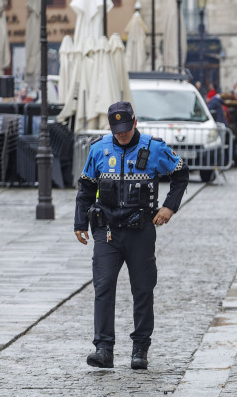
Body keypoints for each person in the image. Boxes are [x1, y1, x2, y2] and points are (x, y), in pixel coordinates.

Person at [74, 101, 190, 370]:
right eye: (117, 130)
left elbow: (180, 174)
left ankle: (140, 348)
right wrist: (80, 223)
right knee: (103, 288)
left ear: (135, 123)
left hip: (140, 230)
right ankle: (103, 349)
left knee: (143, 289)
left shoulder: (154, 147)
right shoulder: (99, 148)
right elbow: (86, 188)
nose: (122, 135)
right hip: (107, 231)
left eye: (126, 129)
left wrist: (169, 207)